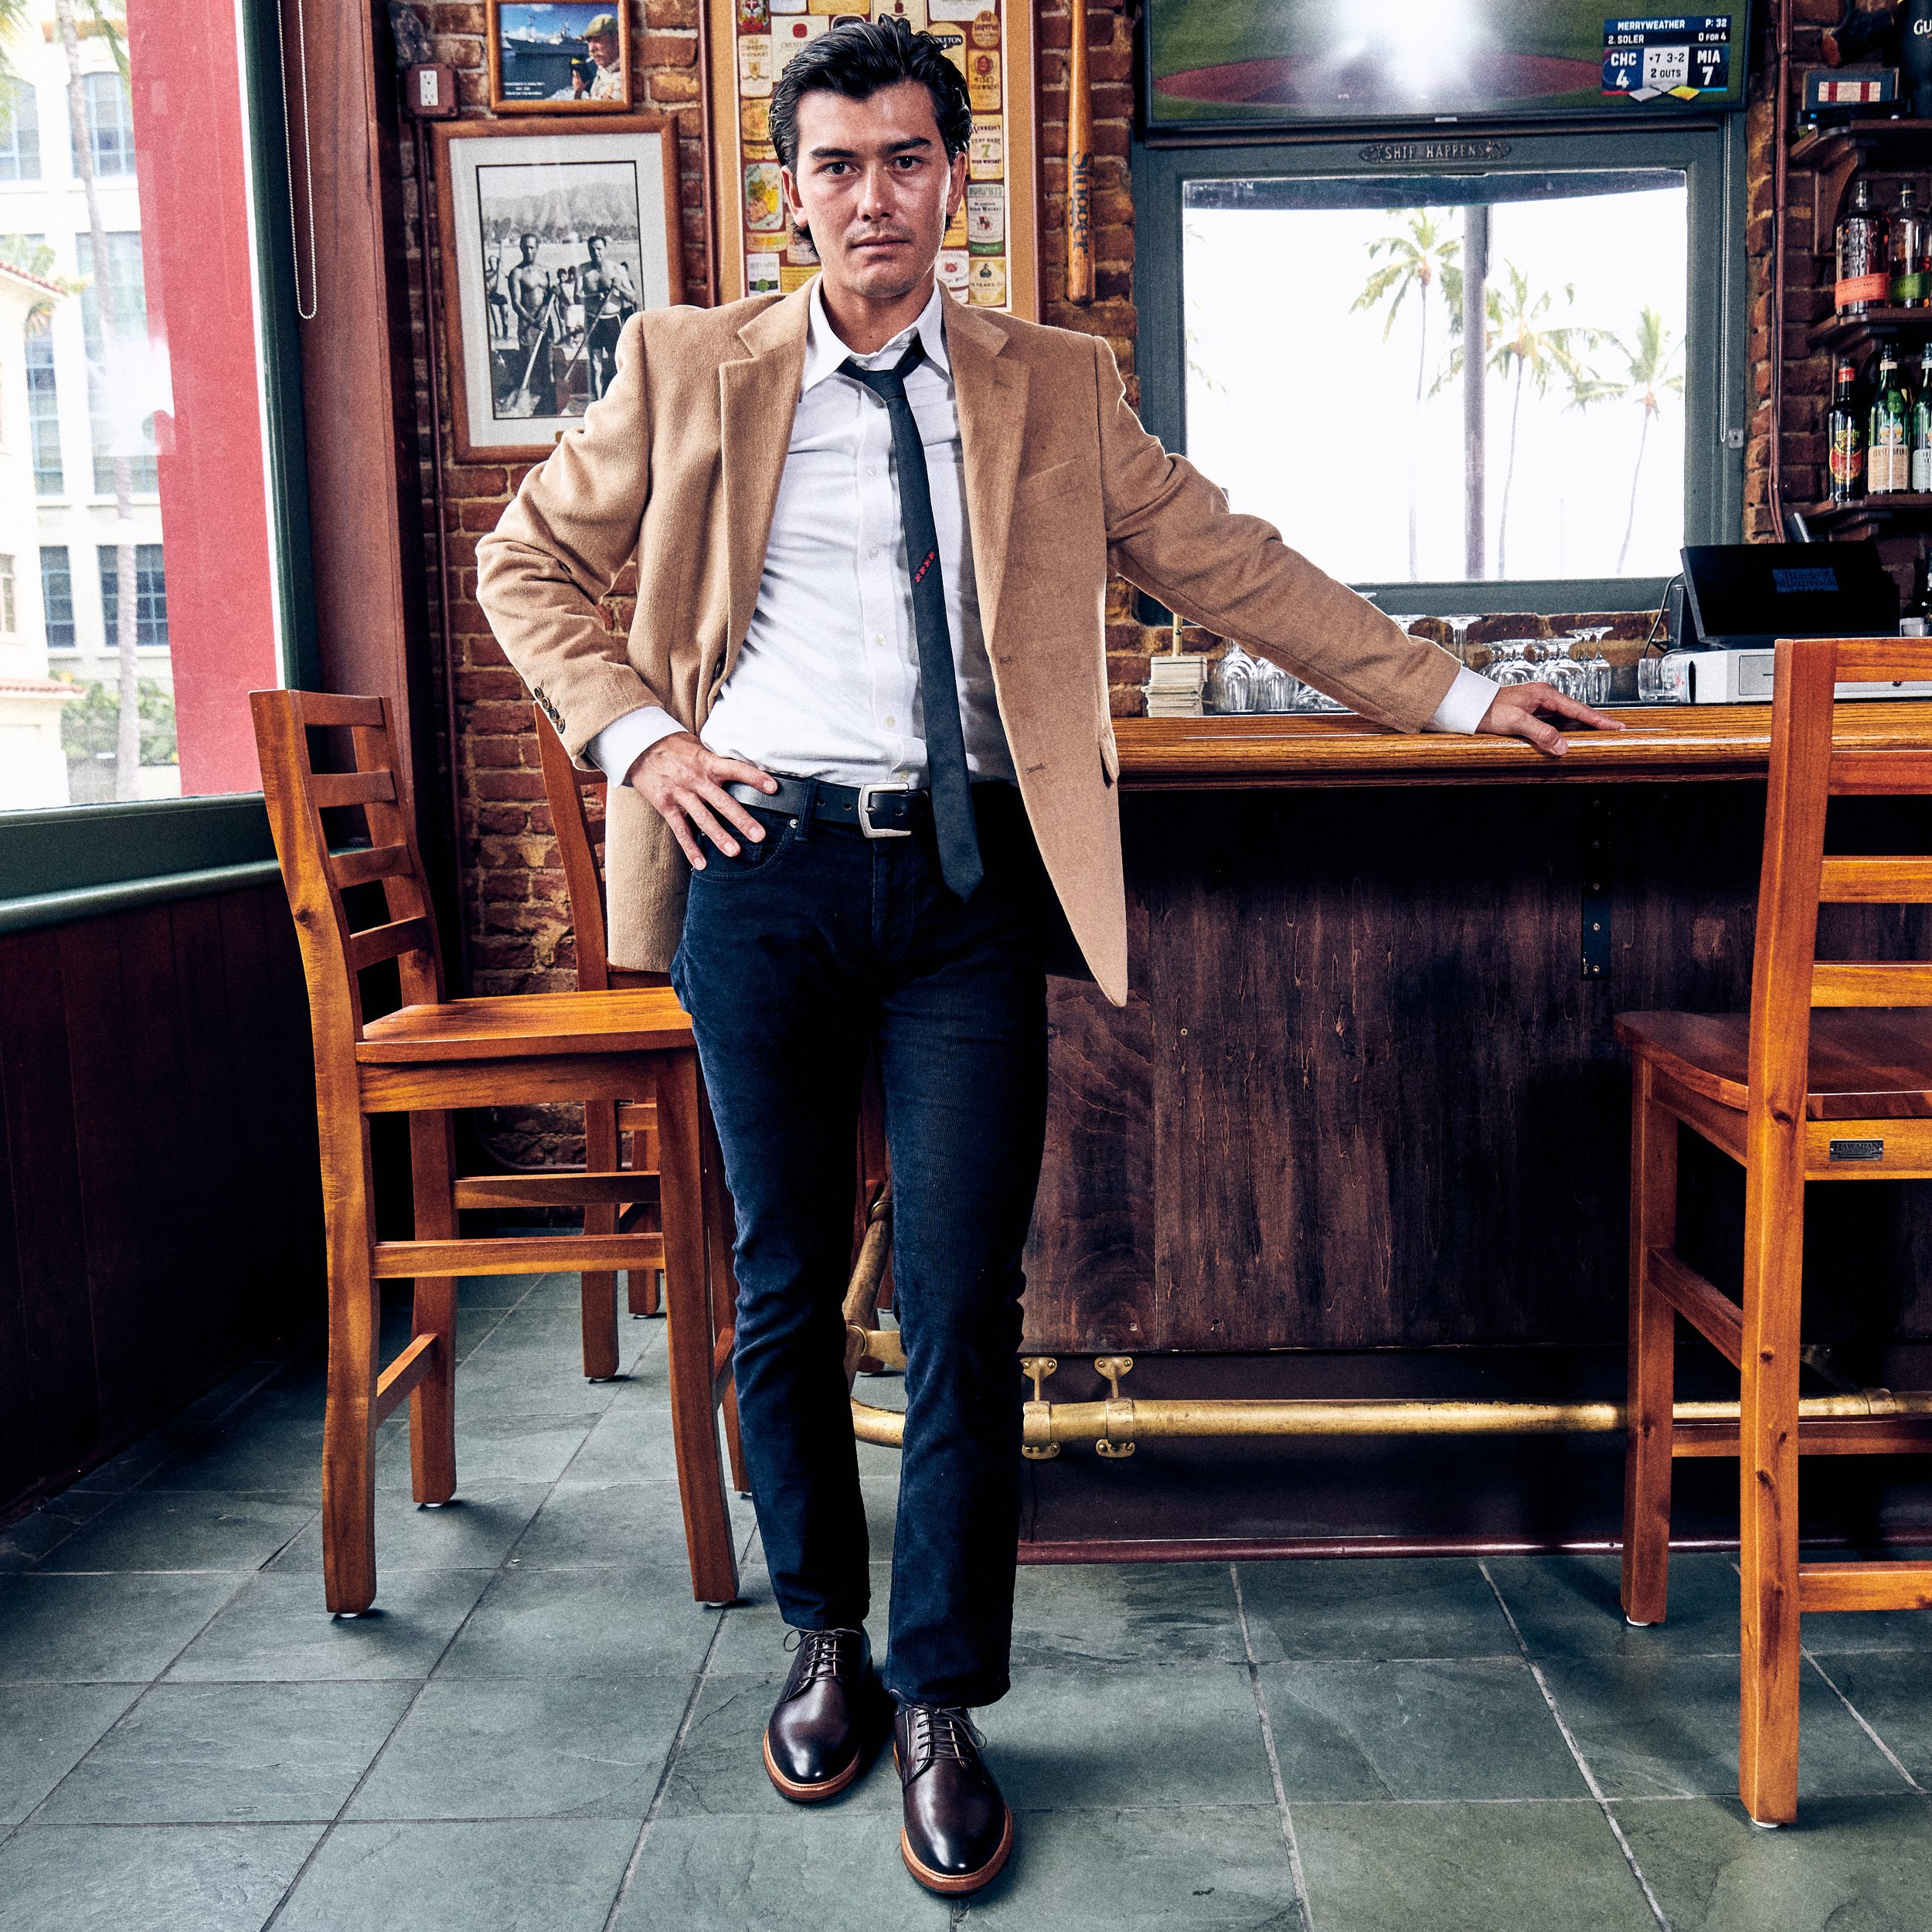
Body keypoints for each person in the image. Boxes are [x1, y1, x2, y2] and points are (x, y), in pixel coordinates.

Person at [476, 19, 1620, 1898]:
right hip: (756, 868)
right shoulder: (685, 365)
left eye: (907, 160)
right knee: (777, 1283)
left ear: (956, 180)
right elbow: (529, 563)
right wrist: (641, 738)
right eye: (837, 165)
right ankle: (821, 1638)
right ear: (791, 190)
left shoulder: (1053, 384)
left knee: (962, 1302)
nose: (874, 198)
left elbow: (1230, 563)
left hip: (963, 884)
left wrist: (1457, 686)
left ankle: (943, 1695)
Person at [577, 234, 638, 398]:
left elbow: (632, 297)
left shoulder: (617, 269)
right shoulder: (583, 270)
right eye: (592, 250)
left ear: (605, 250)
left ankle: (613, 400)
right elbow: (576, 298)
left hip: (612, 321)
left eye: (599, 249)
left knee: (613, 364)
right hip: (593, 320)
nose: (595, 253)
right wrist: (591, 297)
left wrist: (619, 287)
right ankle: (597, 401)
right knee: (596, 365)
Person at [570, 12, 624, 100]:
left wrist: (577, 94)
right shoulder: (605, 69)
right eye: (589, 41)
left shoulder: (617, 87)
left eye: (597, 40)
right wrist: (579, 91)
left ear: (617, 40)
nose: (591, 49)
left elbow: (591, 113)